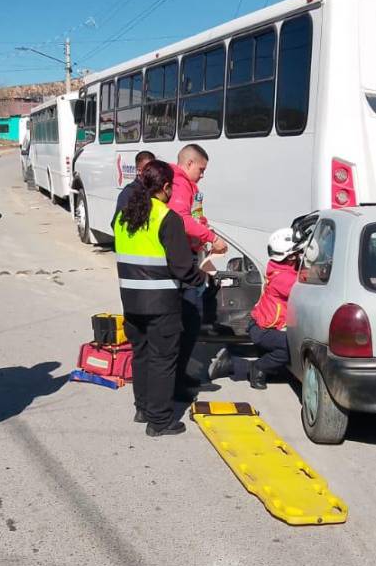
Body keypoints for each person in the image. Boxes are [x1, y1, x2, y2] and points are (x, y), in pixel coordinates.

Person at [114, 161, 208, 436]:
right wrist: (202, 278)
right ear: (166, 187)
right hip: (161, 304)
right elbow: (181, 266)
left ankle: (142, 409)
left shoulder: (123, 216)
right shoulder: (167, 218)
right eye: (171, 189)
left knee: (141, 355)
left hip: (130, 301)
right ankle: (160, 421)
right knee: (163, 360)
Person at [168, 144, 227, 393]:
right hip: (183, 261)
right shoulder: (180, 183)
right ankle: (177, 381)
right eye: (201, 169)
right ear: (189, 163)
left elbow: (191, 218)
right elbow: (181, 219)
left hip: (184, 257)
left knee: (188, 320)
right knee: (189, 320)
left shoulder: (186, 185)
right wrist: (211, 238)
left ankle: (179, 377)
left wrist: (201, 229)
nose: (202, 174)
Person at [208, 228, 299, 390]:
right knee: (289, 347)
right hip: (264, 329)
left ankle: (233, 364)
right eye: (296, 254)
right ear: (289, 257)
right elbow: (302, 288)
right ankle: (257, 368)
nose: (299, 256)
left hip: (267, 326)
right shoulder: (282, 277)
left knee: (281, 369)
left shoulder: (281, 268)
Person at [112, 150, 155, 227]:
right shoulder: (128, 193)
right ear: (139, 170)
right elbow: (116, 223)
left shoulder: (154, 189)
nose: (152, 172)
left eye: (154, 169)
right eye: (148, 170)